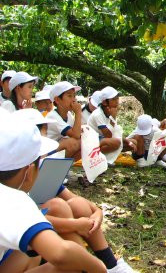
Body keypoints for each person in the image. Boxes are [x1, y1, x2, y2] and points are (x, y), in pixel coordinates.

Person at [0, 111, 107, 273]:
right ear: (28, 171)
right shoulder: (14, 200)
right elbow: (61, 252)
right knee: (72, 264)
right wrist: (98, 268)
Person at [87, 86, 136, 163]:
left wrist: (127, 141)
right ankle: (97, 158)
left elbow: (115, 133)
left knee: (133, 142)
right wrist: (113, 118)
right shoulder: (98, 114)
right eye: (113, 99)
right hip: (93, 141)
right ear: (104, 102)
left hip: (105, 140)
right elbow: (108, 135)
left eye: (117, 99)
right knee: (116, 143)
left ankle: (107, 157)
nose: (117, 102)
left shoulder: (110, 112)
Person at [45, 81, 83, 161]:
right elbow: (76, 135)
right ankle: (56, 170)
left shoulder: (68, 115)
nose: (73, 100)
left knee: (84, 142)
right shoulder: (53, 116)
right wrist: (78, 113)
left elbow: (78, 133)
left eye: (74, 96)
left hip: (56, 149)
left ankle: (65, 169)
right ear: (57, 100)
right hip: (45, 153)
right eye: (69, 96)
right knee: (72, 143)